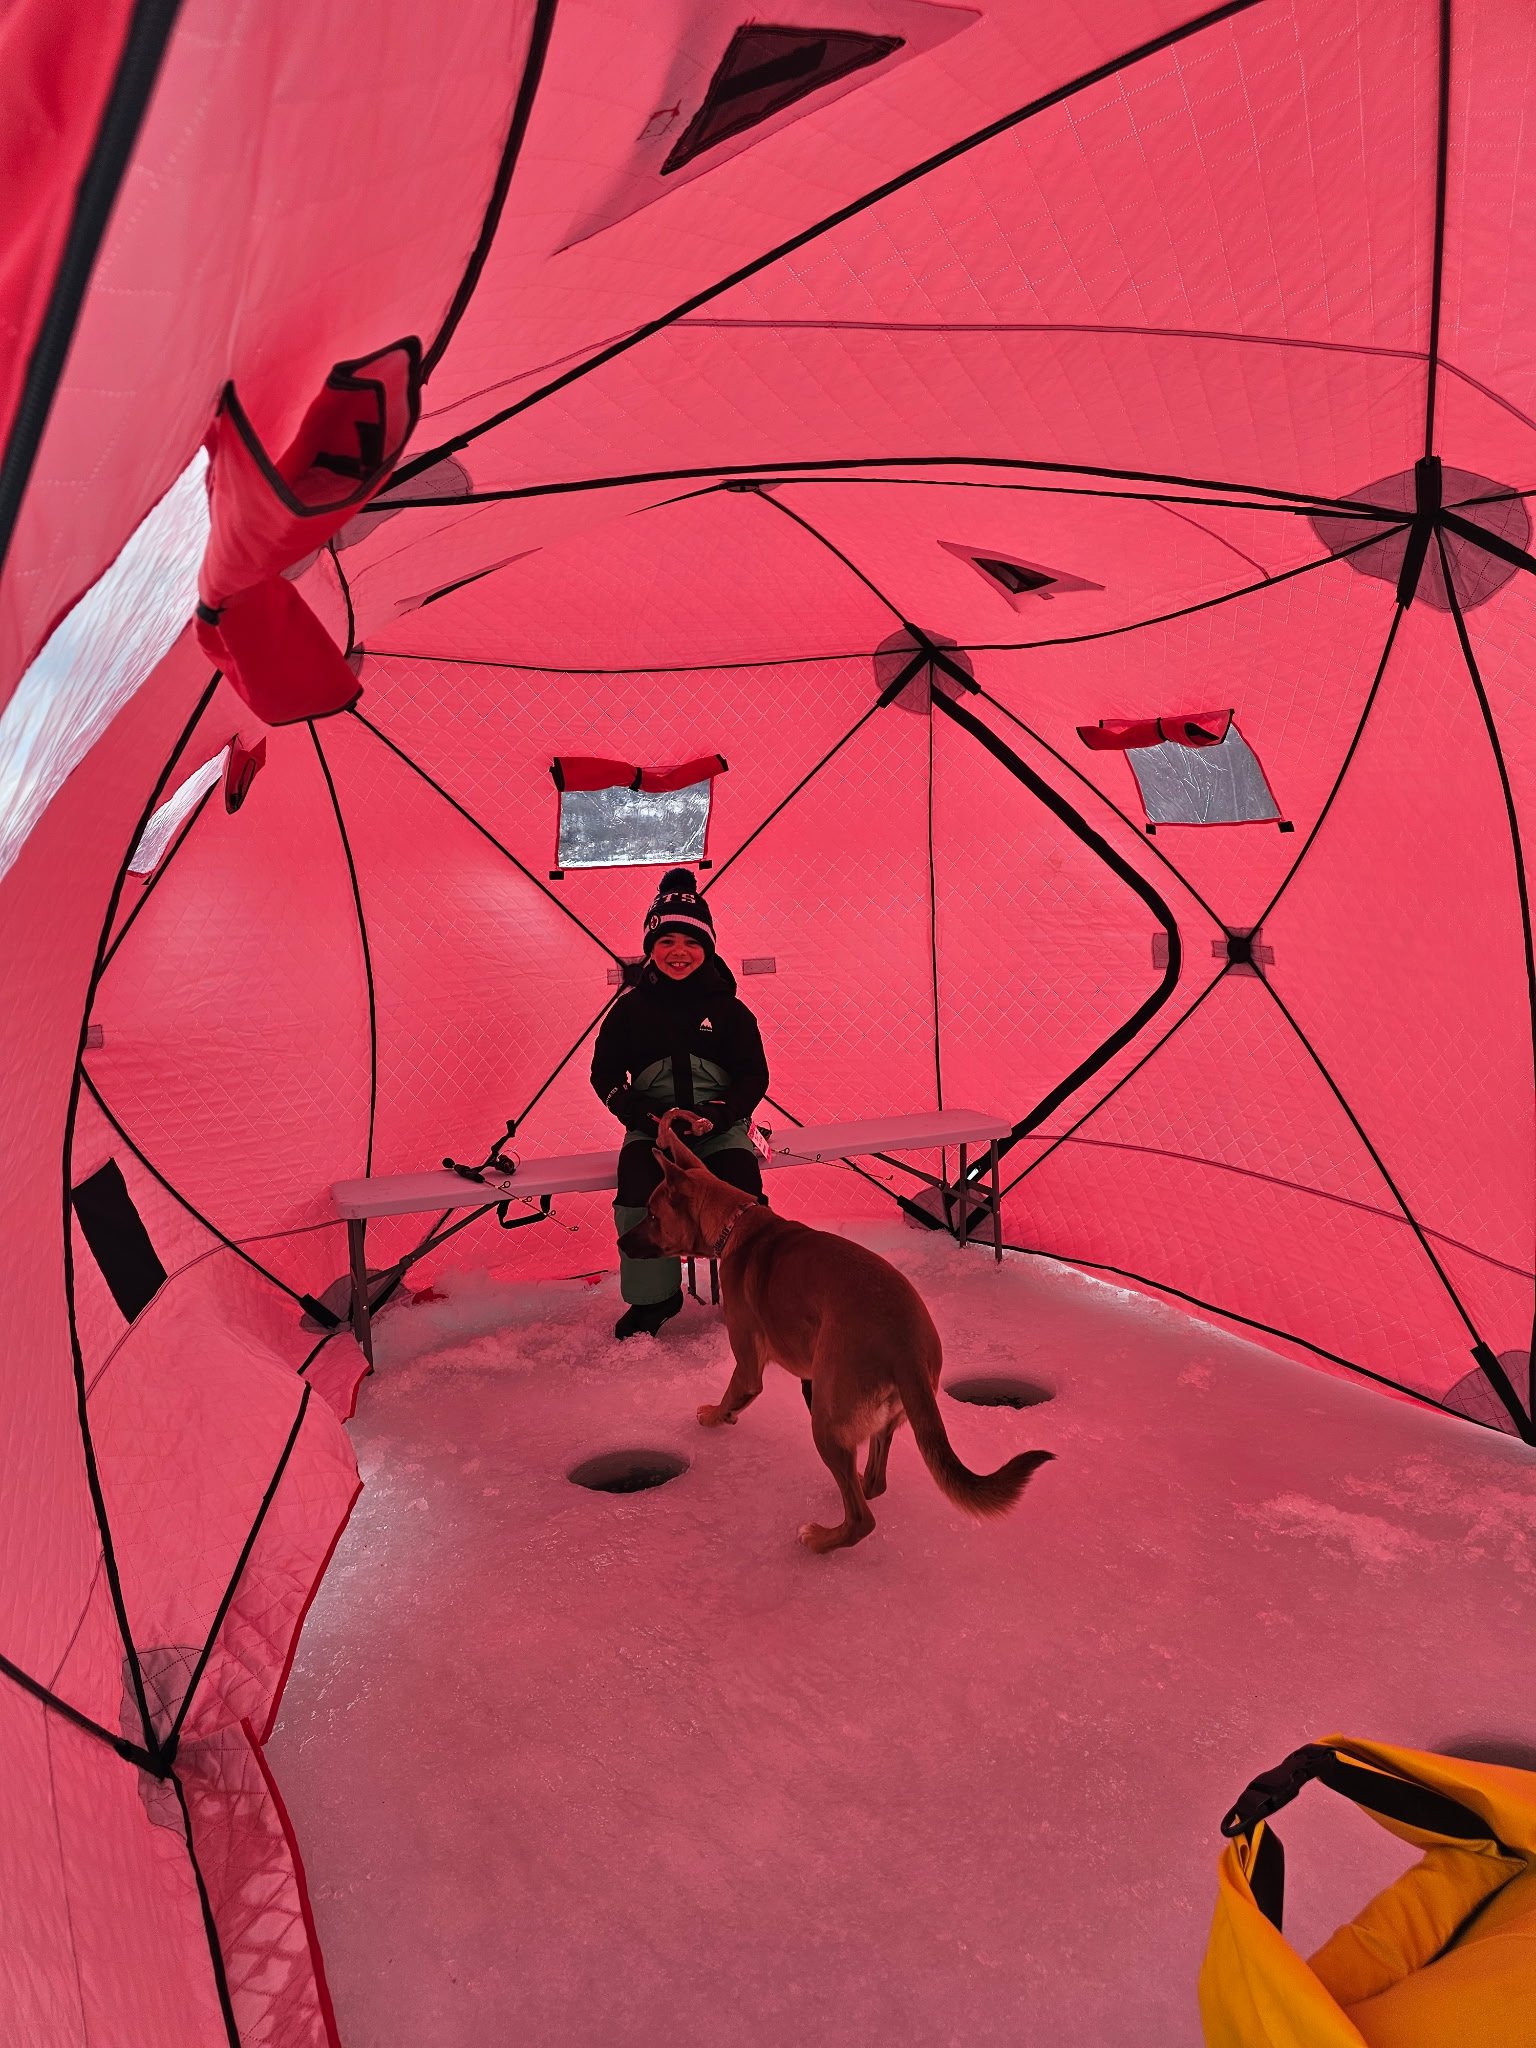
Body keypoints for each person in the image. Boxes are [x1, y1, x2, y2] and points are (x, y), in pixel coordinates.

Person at [591, 868, 769, 1338]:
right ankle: (655, 1299)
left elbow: (754, 1076)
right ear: (651, 947)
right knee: (637, 1191)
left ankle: (751, 1295)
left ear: (707, 948)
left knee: (742, 1191)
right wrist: (647, 1117)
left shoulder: (730, 1011)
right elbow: (604, 1075)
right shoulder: (629, 1012)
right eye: (667, 940)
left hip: (720, 1129)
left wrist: (718, 1115)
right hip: (652, 1132)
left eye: (690, 942)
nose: (678, 953)